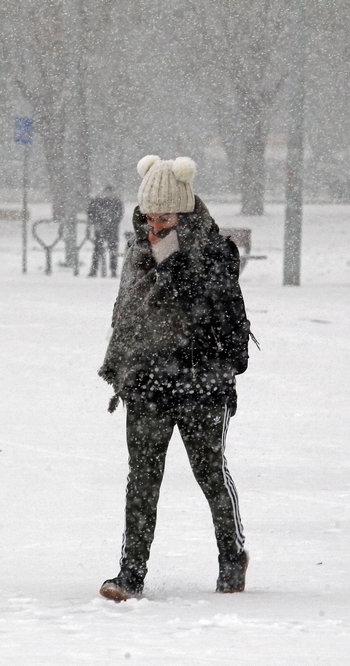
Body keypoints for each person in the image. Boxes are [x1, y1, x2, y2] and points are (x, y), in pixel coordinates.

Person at [98, 155, 252, 601]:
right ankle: (130, 574)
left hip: (201, 383)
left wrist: (223, 367)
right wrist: (125, 366)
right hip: (148, 382)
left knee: (209, 473)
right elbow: (127, 315)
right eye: (150, 215)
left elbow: (217, 310)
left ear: (184, 213)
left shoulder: (214, 252)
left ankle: (231, 556)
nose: (155, 225)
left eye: (165, 216)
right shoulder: (138, 250)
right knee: (142, 479)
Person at [87, 185, 125, 278]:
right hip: (112, 229)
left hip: (100, 228)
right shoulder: (116, 200)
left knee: (97, 249)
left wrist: (96, 223)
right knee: (112, 249)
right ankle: (113, 270)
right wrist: (113, 223)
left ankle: (94, 270)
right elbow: (119, 214)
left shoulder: (97, 199)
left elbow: (90, 212)